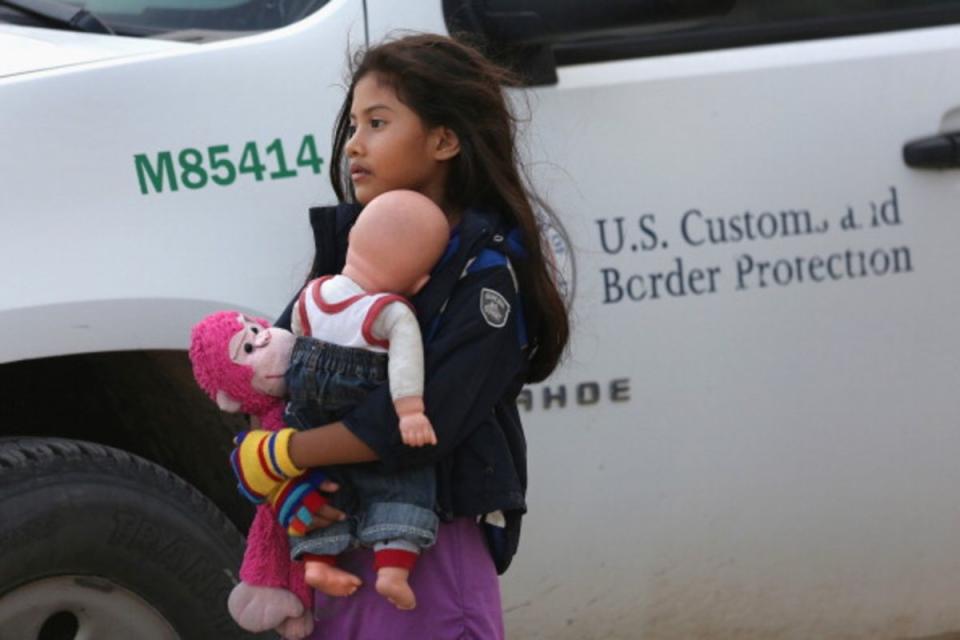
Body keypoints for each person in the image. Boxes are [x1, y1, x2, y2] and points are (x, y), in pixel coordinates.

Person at [229, 33, 570, 639]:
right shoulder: (350, 252)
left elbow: (421, 423)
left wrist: (283, 456)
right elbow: (272, 374)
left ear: (443, 140)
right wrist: (283, 483)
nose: (355, 144)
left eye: (378, 122)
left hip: (429, 563)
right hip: (340, 552)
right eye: (354, 124)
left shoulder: (486, 276)